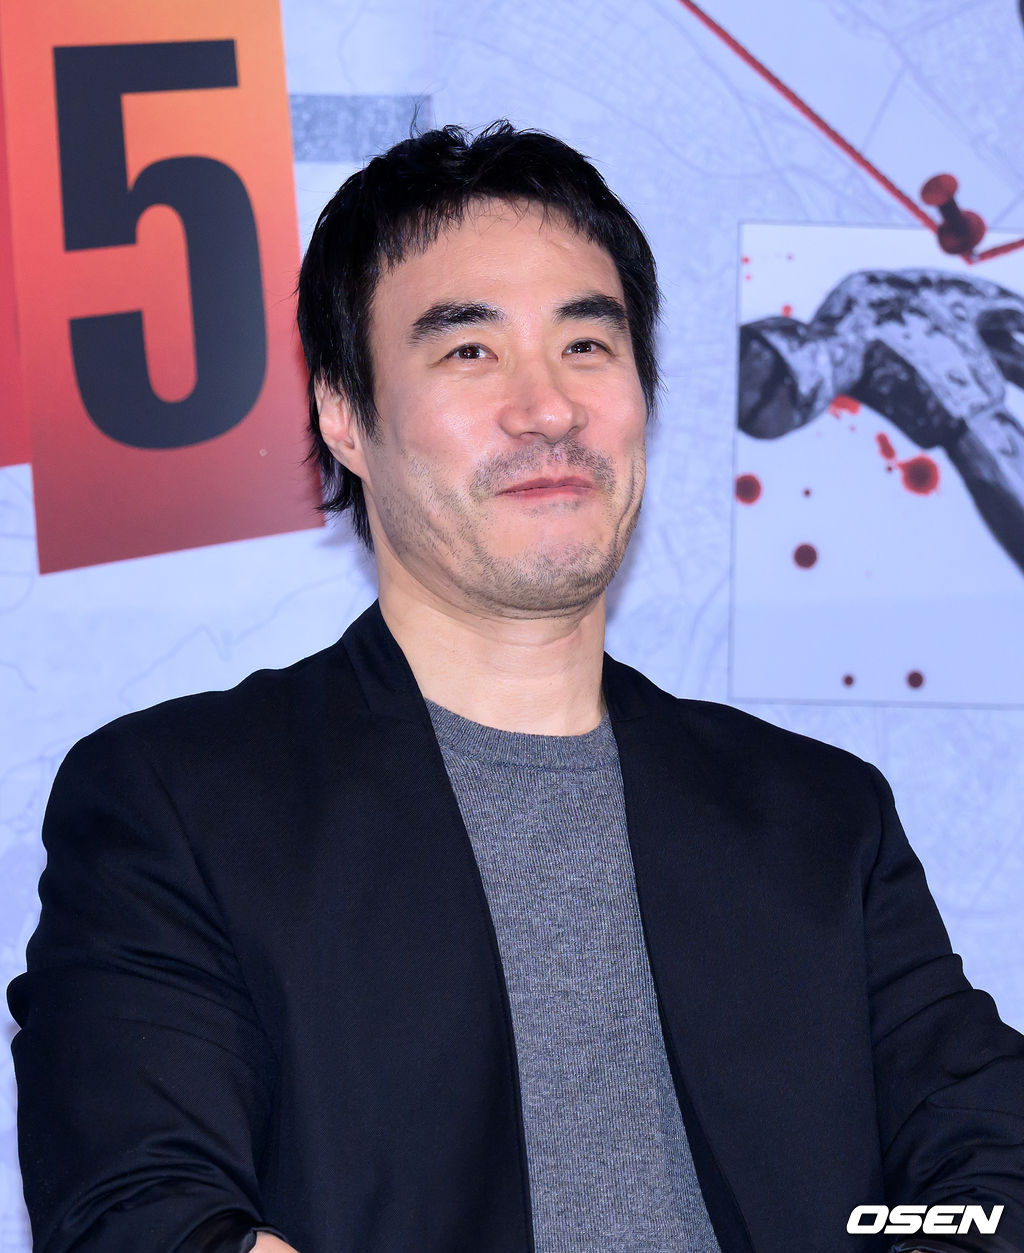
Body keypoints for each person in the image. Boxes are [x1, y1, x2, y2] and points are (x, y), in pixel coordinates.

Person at [8, 122, 1024, 1253]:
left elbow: (989, 1159)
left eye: (587, 344)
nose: (548, 407)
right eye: (470, 351)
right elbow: (141, 1211)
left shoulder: (820, 817)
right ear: (345, 416)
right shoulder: (181, 804)